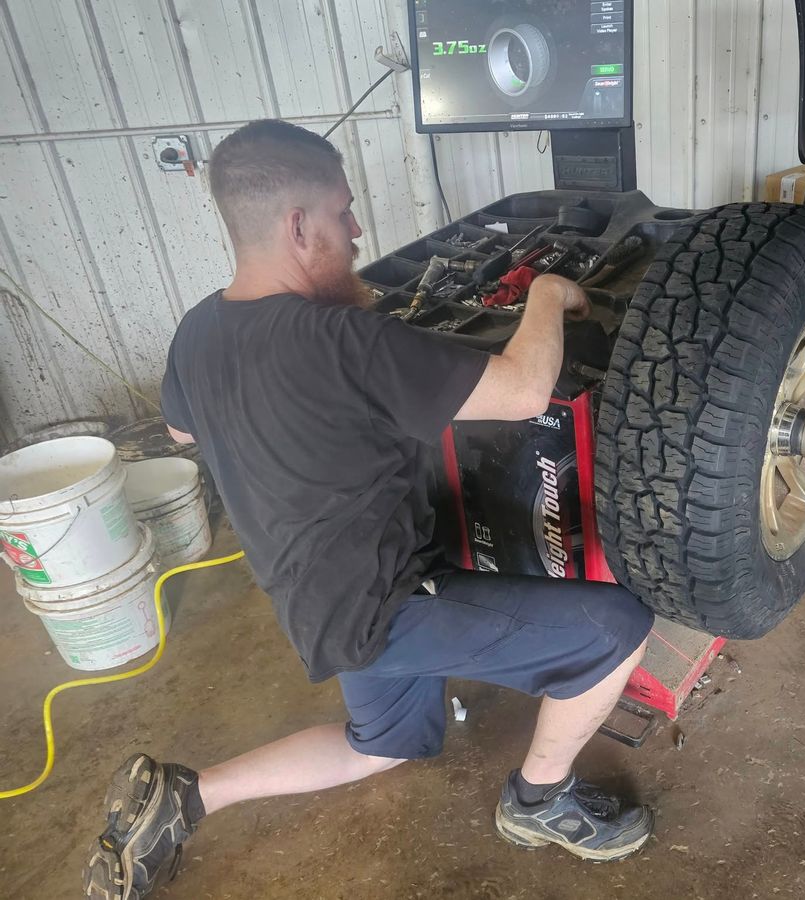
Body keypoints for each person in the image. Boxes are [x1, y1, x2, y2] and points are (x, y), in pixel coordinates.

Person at [82, 119, 655, 900]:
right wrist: (549, 295)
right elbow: (525, 391)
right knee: (615, 629)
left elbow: (183, 430)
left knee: (382, 745)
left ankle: (187, 797)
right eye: (343, 213)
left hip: (314, 605)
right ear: (297, 226)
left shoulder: (197, 332)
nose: (355, 233)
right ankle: (538, 800)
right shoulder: (341, 341)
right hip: (387, 603)